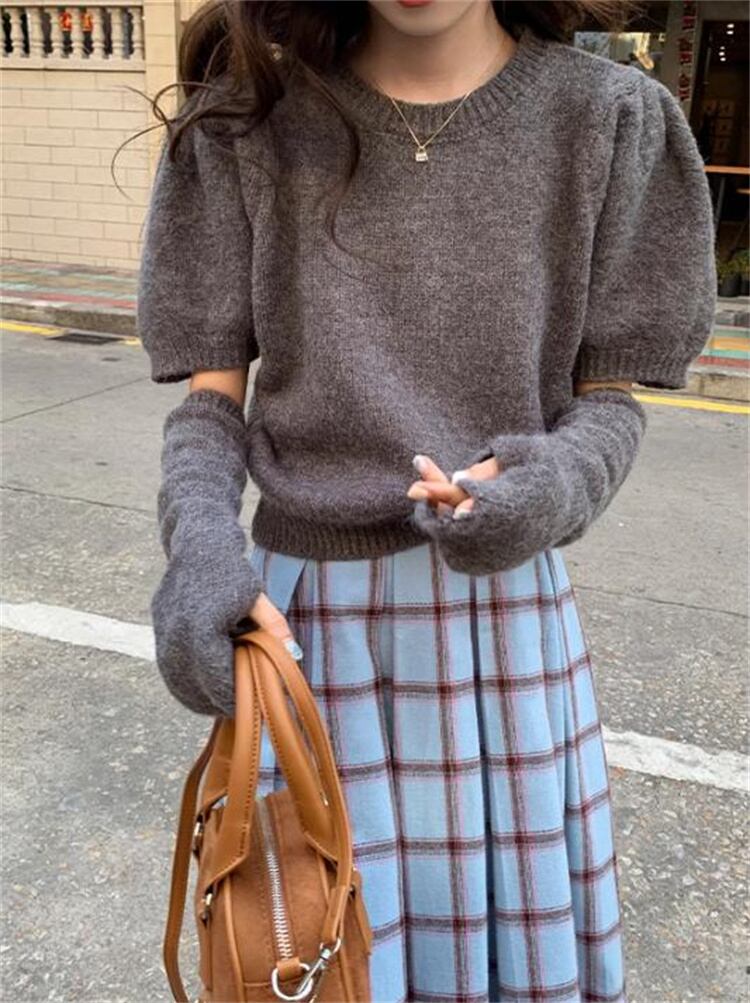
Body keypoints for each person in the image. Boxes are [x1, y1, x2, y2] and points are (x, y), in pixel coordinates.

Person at [134, 1, 717, 1001]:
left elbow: (611, 403)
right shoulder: (249, 121)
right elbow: (210, 402)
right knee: (314, 949)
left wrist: (549, 484)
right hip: (305, 628)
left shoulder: (611, 119)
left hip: (504, 625)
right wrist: (198, 550)